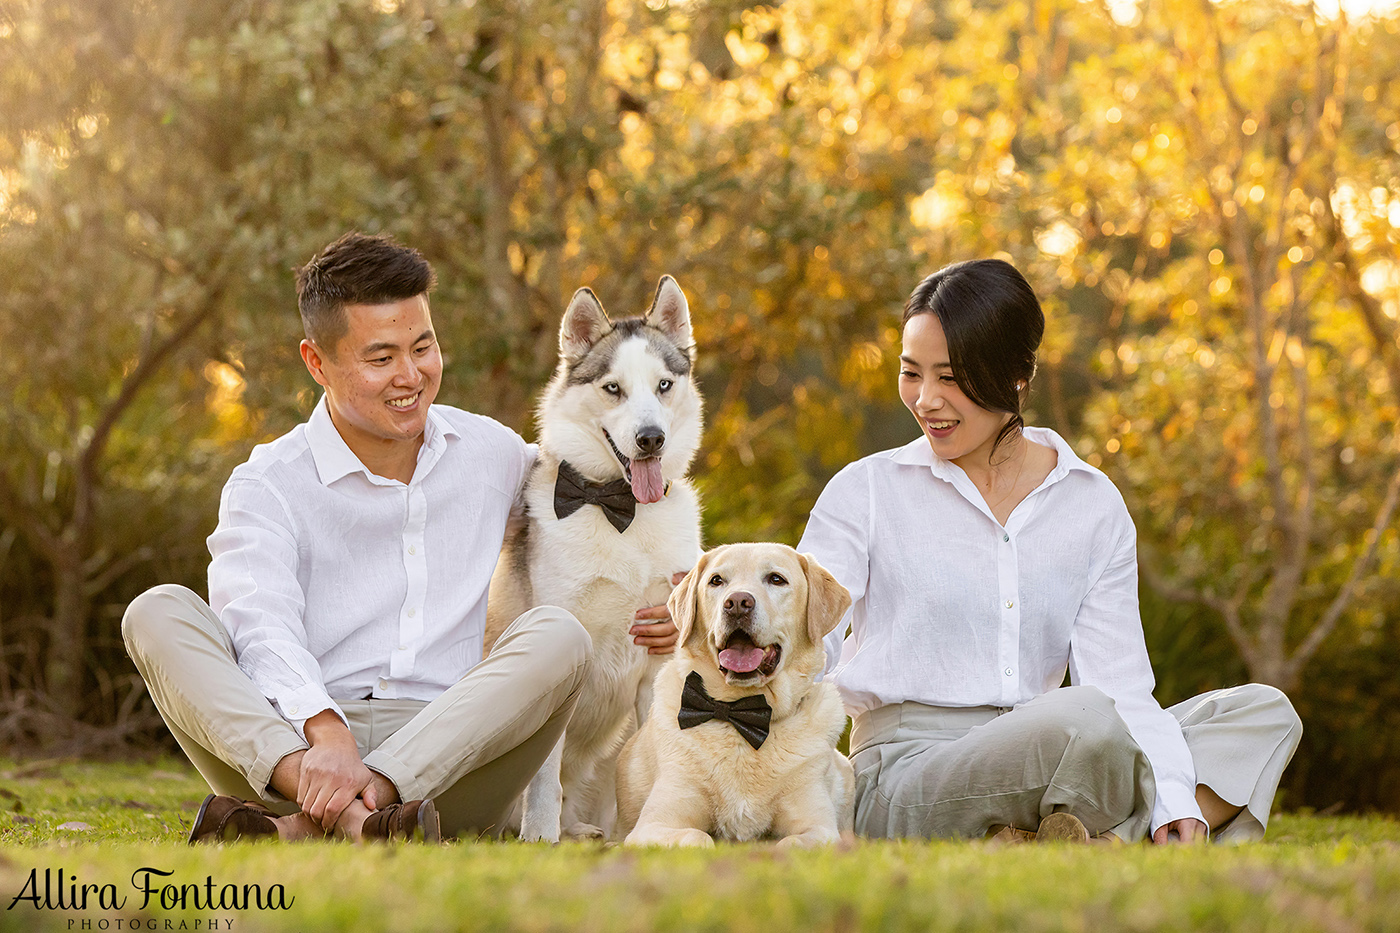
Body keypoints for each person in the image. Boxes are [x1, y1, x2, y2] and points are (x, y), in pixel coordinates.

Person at [122, 232, 678, 843]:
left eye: (423, 346)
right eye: (381, 358)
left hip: (452, 760)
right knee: (157, 613)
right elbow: (259, 625)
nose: (410, 376)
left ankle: (317, 826)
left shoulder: (491, 453)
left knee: (558, 635)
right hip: (292, 753)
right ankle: (360, 822)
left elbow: (603, 485)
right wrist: (324, 734)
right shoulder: (268, 484)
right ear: (317, 362)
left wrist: (674, 605)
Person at [798, 258, 1302, 844]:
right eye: (913, 373)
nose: (926, 399)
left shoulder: (1090, 502)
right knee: (1084, 719)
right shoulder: (868, 490)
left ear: (1016, 373)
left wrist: (1172, 798)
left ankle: (1063, 844)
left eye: (952, 376)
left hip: (1062, 747)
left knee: (1261, 714)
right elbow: (805, 633)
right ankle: (1115, 842)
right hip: (909, 773)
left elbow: (1121, 688)